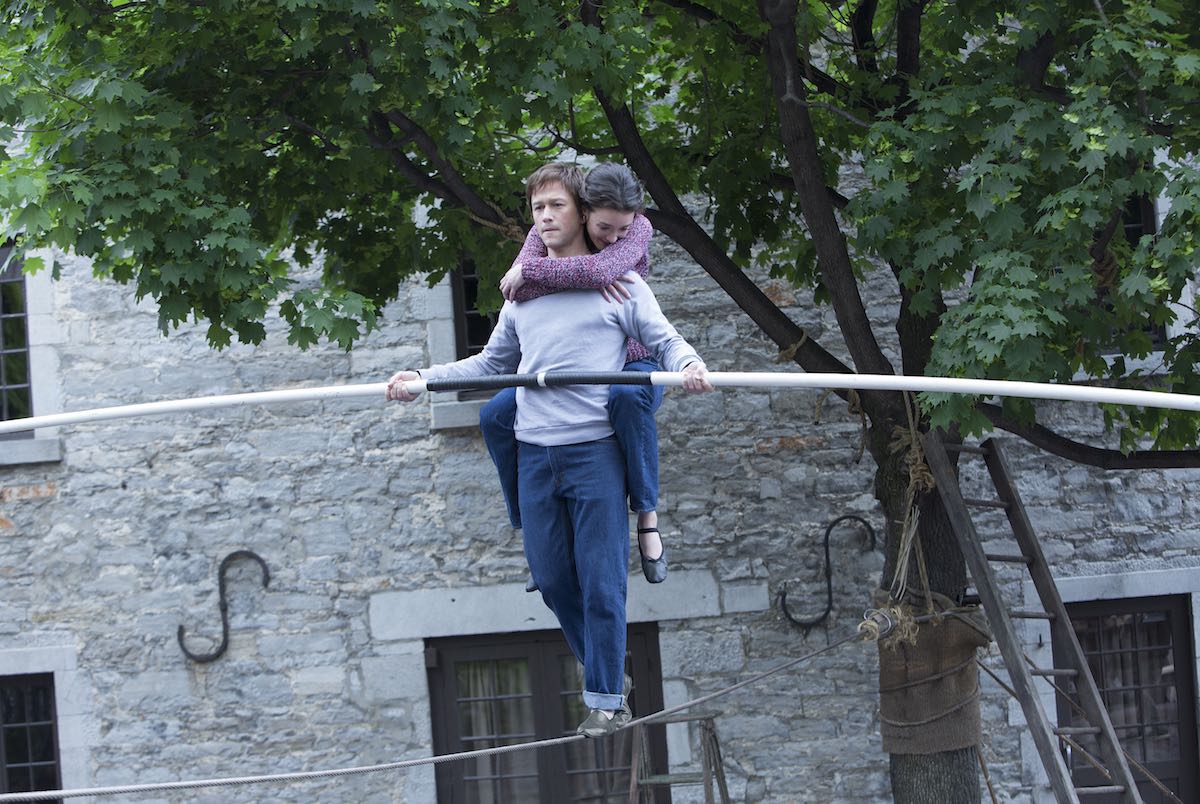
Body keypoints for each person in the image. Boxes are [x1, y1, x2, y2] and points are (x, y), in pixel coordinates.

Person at [387, 163, 712, 737]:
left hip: (594, 456)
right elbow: (490, 365)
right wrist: (422, 378)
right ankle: (607, 671)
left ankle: (607, 700)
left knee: (603, 581)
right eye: (537, 210)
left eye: (556, 207)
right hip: (536, 452)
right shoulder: (523, 293)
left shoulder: (620, 284)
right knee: (552, 577)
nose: (545, 218)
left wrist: (688, 365)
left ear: (581, 212)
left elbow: (664, 340)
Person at [480, 163, 670, 585]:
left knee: (626, 397)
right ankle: (529, 524)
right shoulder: (545, 229)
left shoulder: (637, 229)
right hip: (579, 366)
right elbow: (515, 291)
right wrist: (539, 276)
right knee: (495, 415)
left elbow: (599, 271)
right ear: (583, 212)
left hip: (633, 358)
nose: (614, 238)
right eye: (606, 228)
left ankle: (647, 516)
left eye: (622, 229)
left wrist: (531, 271)